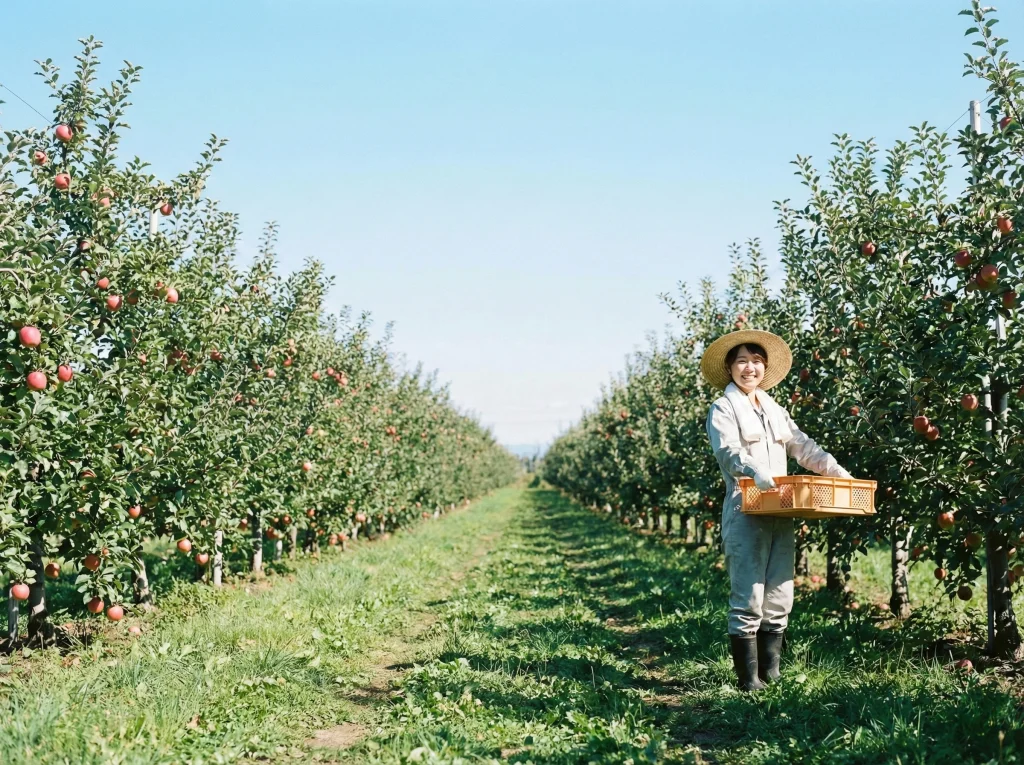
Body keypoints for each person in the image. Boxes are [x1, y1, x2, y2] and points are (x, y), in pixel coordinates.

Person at [701, 329, 852, 691]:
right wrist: (755, 470)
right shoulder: (724, 407)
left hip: (781, 507)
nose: (749, 368)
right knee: (749, 594)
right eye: (741, 361)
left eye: (755, 361)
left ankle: (772, 673)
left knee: (780, 593)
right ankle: (748, 680)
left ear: (764, 367)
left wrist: (835, 469)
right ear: (730, 368)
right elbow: (727, 451)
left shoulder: (773, 408)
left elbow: (801, 445)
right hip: (746, 508)